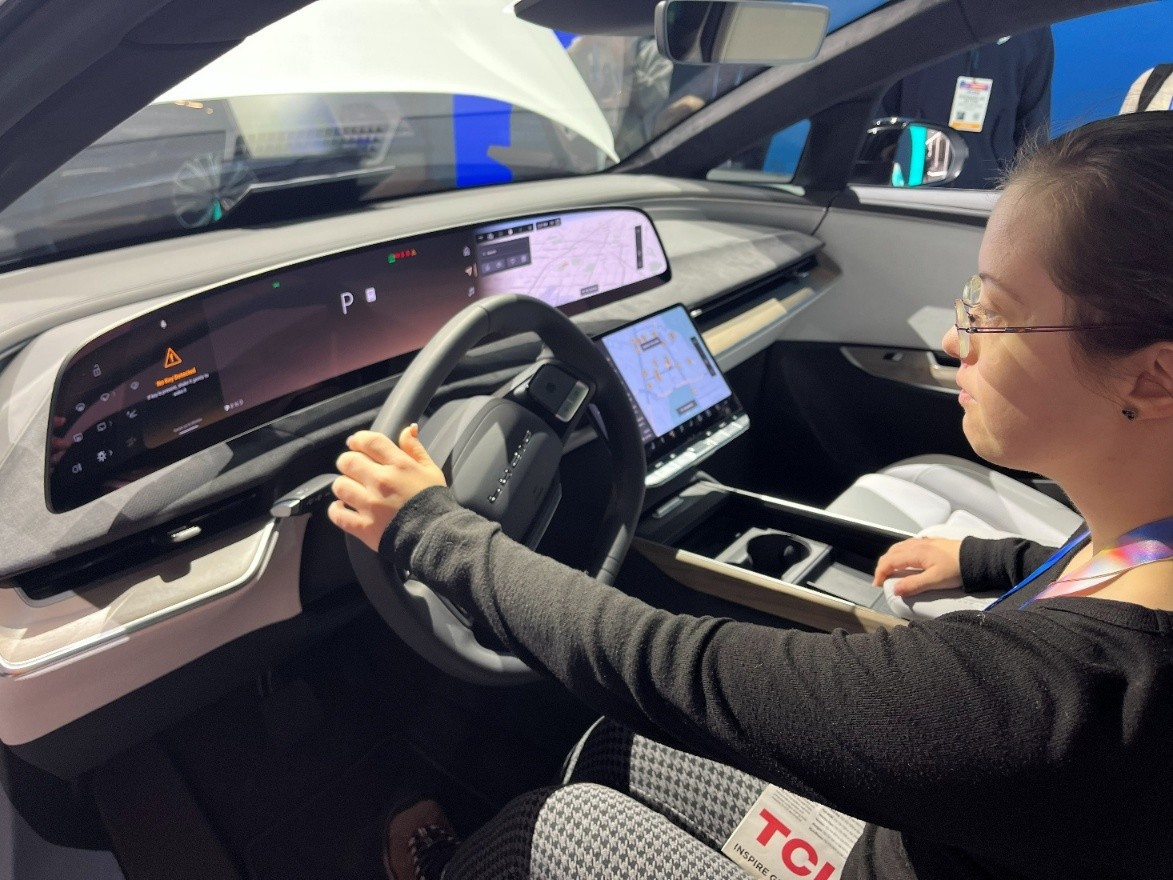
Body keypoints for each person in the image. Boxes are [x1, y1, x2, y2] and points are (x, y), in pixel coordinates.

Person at [328, 110, 1173, 879]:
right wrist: (991, 560)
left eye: (992, 312)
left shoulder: (1053, 702)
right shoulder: (1141, 537)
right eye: (968, 300)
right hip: (931, 842)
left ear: (1154, 375)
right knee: (619, 748)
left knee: (550, 828)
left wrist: (429, 529)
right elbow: (1095, 565)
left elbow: (678, 669)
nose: (956, 339)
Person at [877, 28, 1054, 188]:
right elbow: (878, 113)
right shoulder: (912, 21)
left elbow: (1033, 130)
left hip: (988, 197)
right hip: (909, 190)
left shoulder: (1030, 28)